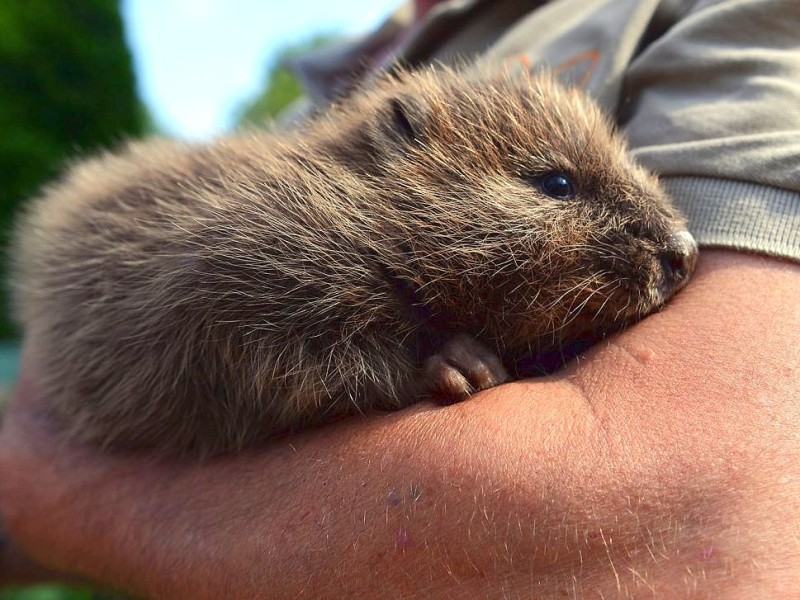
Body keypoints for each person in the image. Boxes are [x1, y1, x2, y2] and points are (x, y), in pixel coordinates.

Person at [2, 0, 799, 596]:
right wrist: (406, 364)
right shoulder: (306, 218)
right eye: (557, 187)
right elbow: (235, 324)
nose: (672, 246)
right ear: (403, 150)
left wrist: (44, 485)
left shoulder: (712, 16)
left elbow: (703, 527)